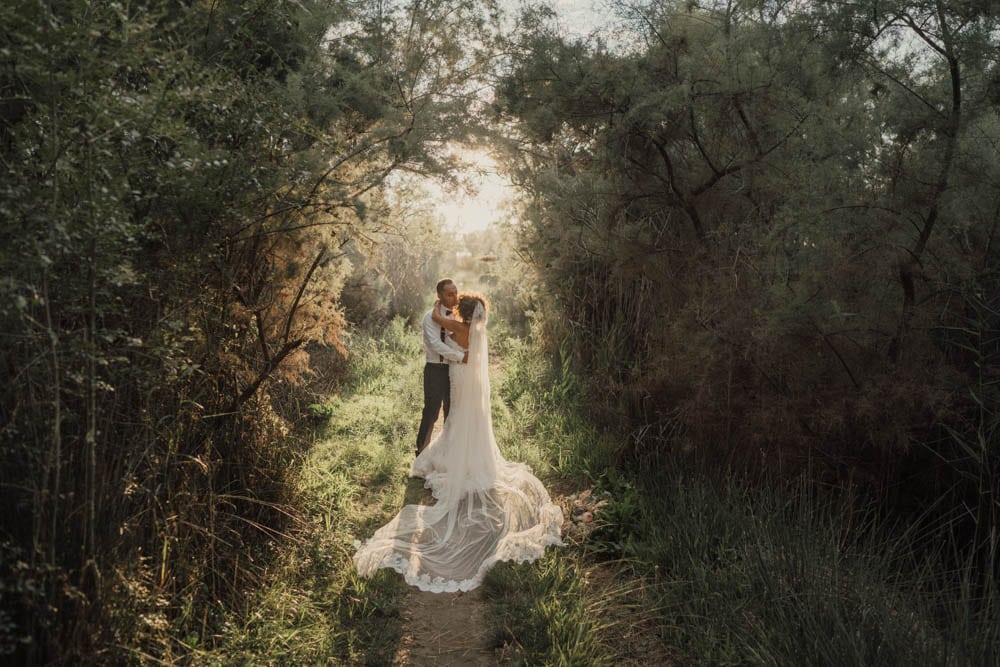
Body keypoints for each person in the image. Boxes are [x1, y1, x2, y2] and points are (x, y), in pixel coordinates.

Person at [353, 292, 563, 592]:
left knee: (457, 418)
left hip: (459, 376)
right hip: (468, 378)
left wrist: (441, 305)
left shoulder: (458, 328)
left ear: (463, 312)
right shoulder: (473, 330)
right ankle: (467, 456)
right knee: (463, 419)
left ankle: (454, 457)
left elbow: (437, 318)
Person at [415, 279, 466, 456]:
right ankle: (421, 453)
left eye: (455, 293)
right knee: (431, 412)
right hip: (435, 369)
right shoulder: (430, 317)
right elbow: (435, 344)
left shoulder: (459, 316)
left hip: (454, 371)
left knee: (452, 411)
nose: (454, 297)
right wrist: (460, 356)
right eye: (449, 294)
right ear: (439, 295)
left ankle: (448, 454)